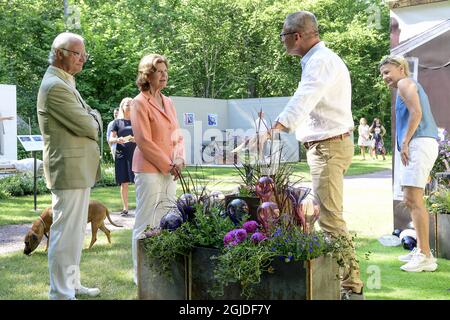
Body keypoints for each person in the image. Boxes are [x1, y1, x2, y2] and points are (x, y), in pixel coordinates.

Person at [268, 11, 364, 299]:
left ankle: (352, 287)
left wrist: (277, 127)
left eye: (284, 35)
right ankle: (345, 283)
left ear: (296, 36)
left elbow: (304, 97)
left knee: (331, 220)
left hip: (328, 148)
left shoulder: (320, 61)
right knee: (329, 217)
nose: (282, 40)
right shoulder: (318, 60)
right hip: (328, 146)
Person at [37, 32, 102, 300]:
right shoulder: (55, 86)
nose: (83, 59)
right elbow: (90, 126)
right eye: (78, 54)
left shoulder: (65, 82)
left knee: (75, 235)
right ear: (60, 53)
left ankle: (72, 285)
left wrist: (92, 118)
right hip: (68, 171)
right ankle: (61, 293)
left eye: (84, 54)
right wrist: (94, 117)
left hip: (78, 171)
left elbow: (89, 122)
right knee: (65, 235)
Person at [379, 55, 439, 272]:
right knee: (411, 198)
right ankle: (423, 251)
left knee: (413, 199)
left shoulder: (405, 83)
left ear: (400, 68)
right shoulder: (404, 86)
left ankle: (425, 256)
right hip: (417, 143)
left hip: (418, 143)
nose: (385, 77)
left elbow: (417, 113)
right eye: (382, 74)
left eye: (387, 72)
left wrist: (404, 142)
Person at [130, 54, 185, 284]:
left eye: (165, 71)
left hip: (171, 170)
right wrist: (167, 164)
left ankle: (160, 270)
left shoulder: (169, 101)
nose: (164, 75)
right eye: (159, 71)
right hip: (149, 169)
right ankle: (140, 274)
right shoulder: (139, 102)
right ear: (147, 75)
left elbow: (177, 135)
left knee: (167, 220)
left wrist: (179, 159)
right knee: (146, 222)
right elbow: (144, 141)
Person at [109, 98, 136, 216]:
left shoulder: (137, 121)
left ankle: (140, 206)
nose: (129, 106)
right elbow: (110, 139)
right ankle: (125, 208)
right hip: (121, 155)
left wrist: (137, 139)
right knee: (124, 182)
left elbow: (144, 137)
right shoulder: (117, 122)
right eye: (126, 104)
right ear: (122, 107)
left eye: (131, 104)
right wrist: (117, 139)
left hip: (136, 155)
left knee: (138, 181)